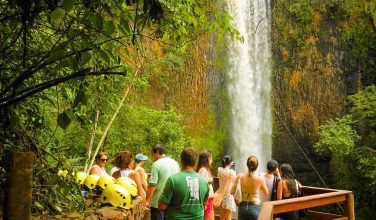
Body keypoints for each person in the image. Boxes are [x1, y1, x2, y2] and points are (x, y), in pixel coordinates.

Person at [158, 147, 209, 220]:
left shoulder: (173, 180)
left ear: (181, 161)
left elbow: (161, 206)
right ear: (195, 163)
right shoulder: (204, 181)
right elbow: (204, 204)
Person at [146, 144, 180, 220]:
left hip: (158, 202)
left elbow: (153, 185)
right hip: (172, 202)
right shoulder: (175, 163)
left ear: (157, 152)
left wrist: (146, 200)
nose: (152, 157)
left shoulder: (156, 164)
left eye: (152, 155)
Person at [230, 155, 268, 220]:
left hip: (242, 206)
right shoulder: (260, 179)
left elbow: (231, 191)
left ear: (247, 165)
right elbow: (266, 193)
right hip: (255, 206)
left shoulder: (240, 176)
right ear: (257, 166)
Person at [196, 150, 215, 220]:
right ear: (208, 159)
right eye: (211, 158)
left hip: (209, 201)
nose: (212, 160)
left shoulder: (205, 170)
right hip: (207, 202)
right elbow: (200, 187)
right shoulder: (203, 170)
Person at [217, 155, 237, 220]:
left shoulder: (219, 170)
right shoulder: (232, 172)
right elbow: (235, 182)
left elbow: (219, 175)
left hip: (221, 194)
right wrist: (233, 168)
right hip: (229, 195)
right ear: (230, 163)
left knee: (222, 215)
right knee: (229, 216)